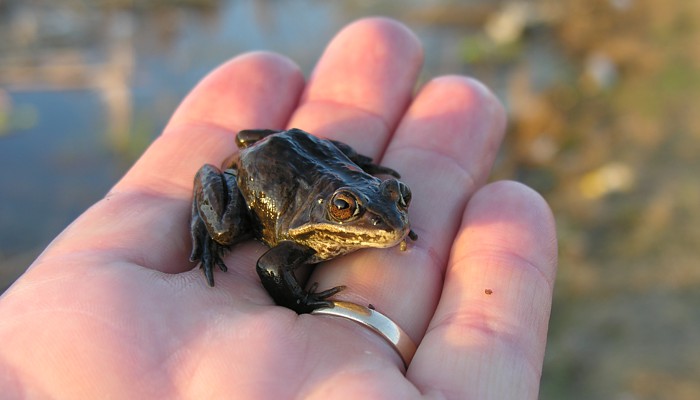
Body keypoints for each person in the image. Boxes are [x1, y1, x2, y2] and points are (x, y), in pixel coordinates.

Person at [0, 18, 557, 399]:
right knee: (222, 230)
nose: (390, 220)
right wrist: (302, 302)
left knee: (363, 187)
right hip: (258, 172)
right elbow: (271, 265)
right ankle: (216, 216)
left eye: (397, 202)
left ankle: (353, 179)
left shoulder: (375, 212)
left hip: (300, 149)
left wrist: (381, 210)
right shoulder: (305, 234)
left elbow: (371, 199)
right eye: (350, 210)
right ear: (333, 212)